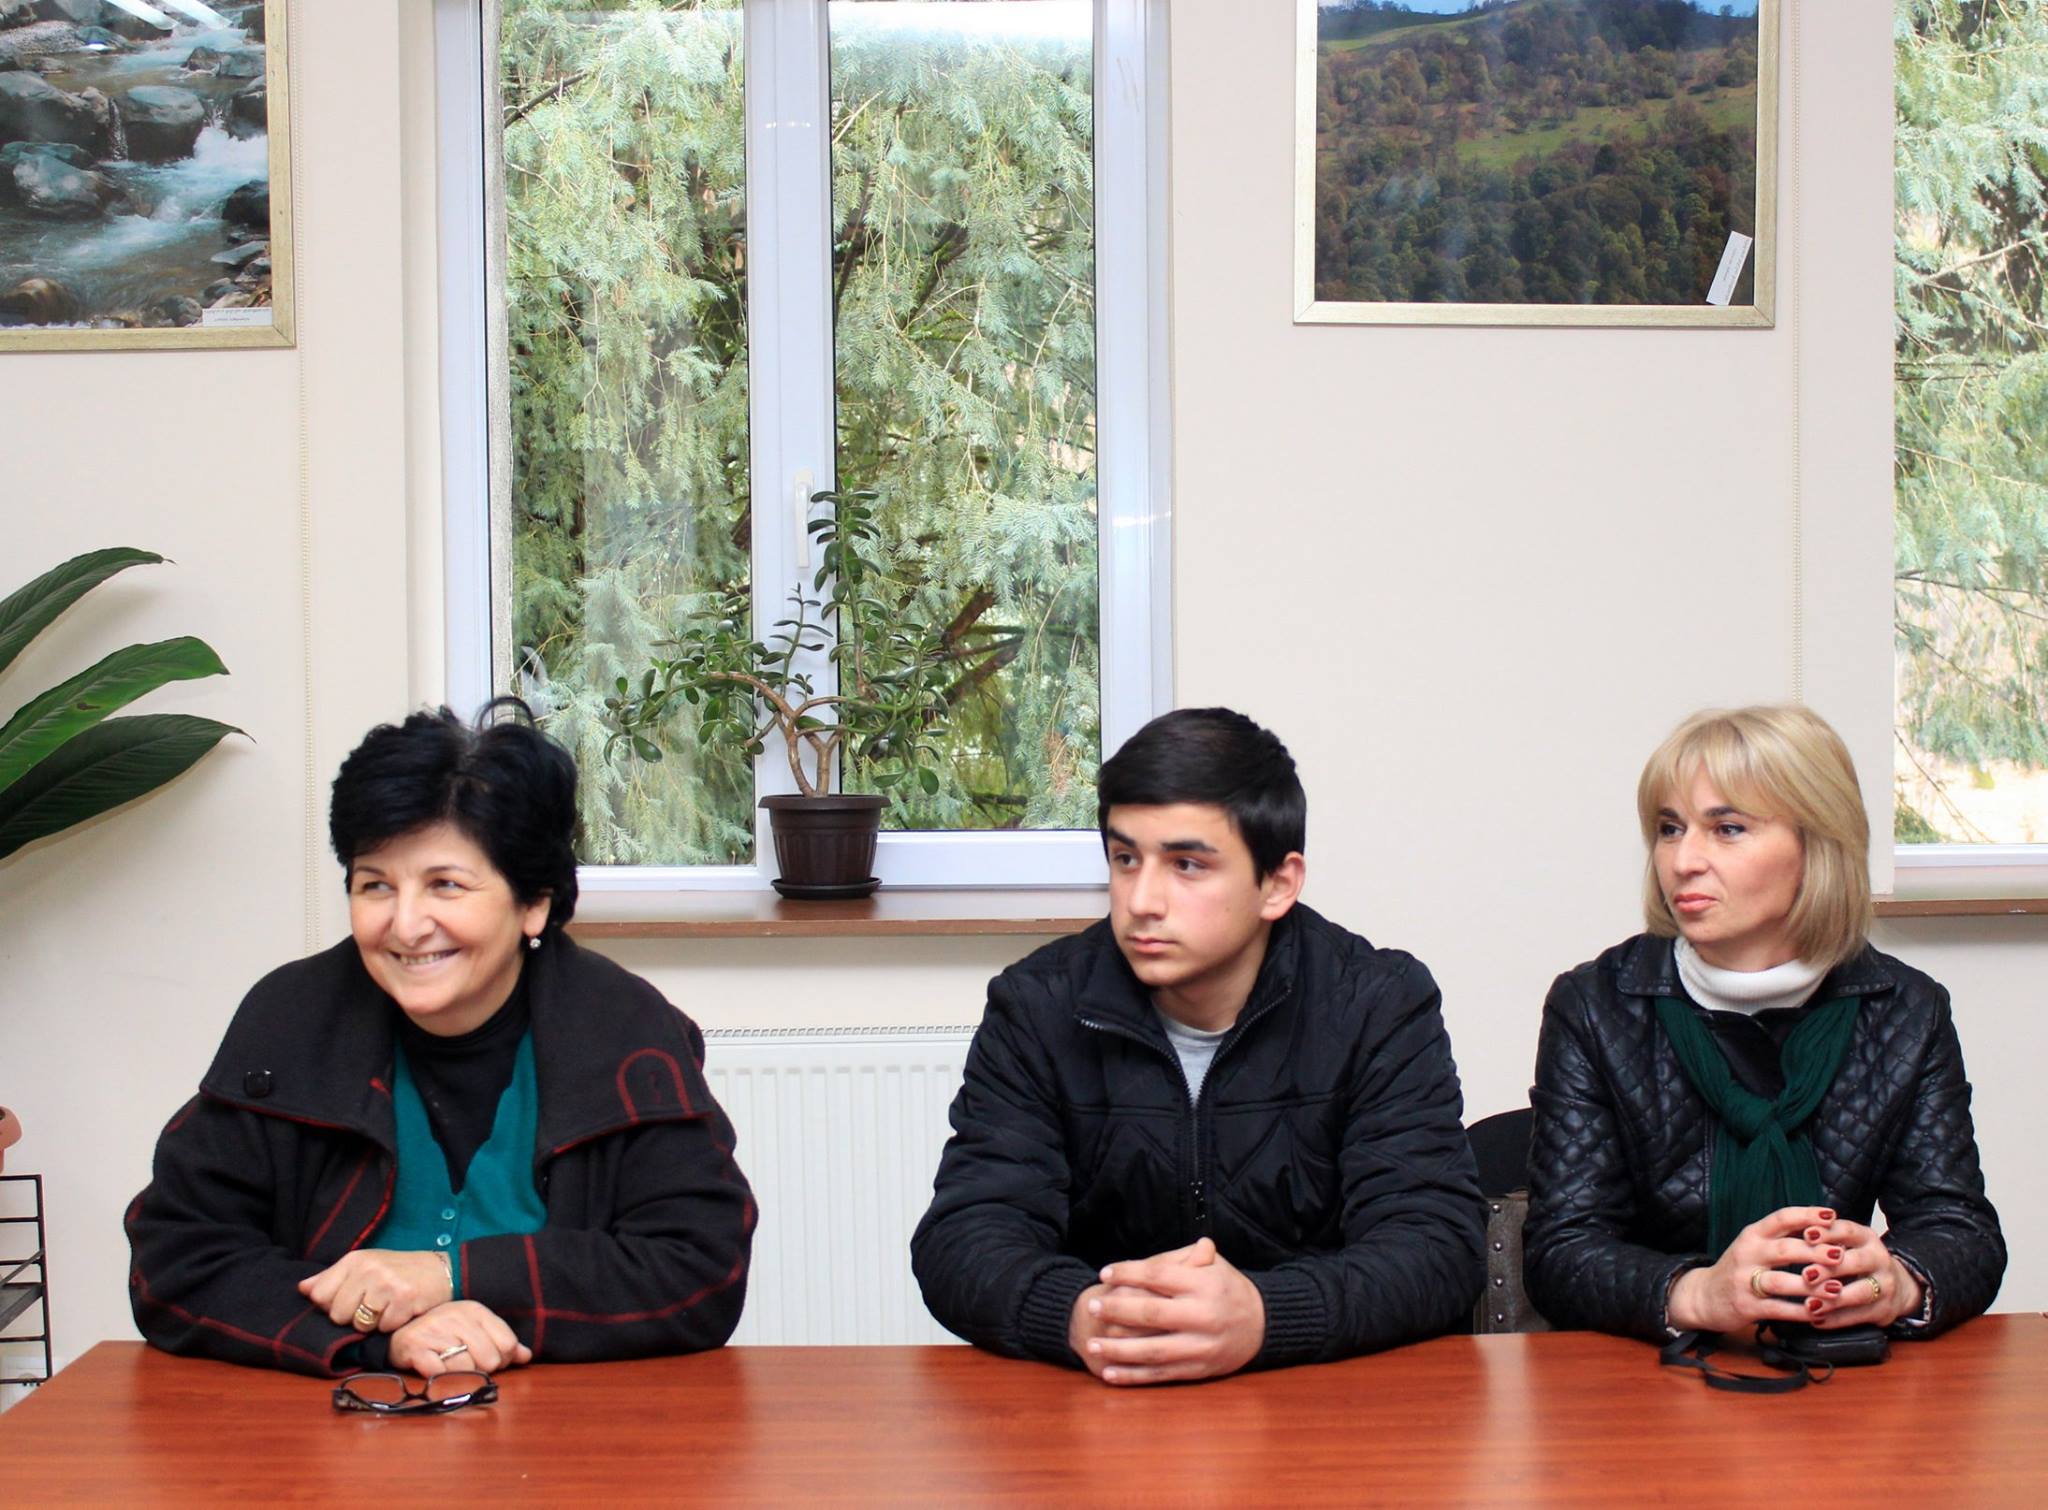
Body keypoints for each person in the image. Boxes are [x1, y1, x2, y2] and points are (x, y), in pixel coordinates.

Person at [127, 702, 754, 1377]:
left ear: (534, 902)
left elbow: (700, 1269)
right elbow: (177, 1260)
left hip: (570, 1419)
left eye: (445, 885)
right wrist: (378, 1341)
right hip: (336, 1420)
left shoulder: (625, 1028)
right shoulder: (290, 1020)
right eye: (375, 885)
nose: (406, 926)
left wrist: (451, 1275)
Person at [911, 708, 1483, 1385]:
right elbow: (965, 1237)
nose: (1141, 901)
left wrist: (1266, 1316)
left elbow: (1436, 1243)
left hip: (1320, 1396)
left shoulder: (1376, 1003)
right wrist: (1083, 1314)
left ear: (1277, 884)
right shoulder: (1038, 1006)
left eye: (1186, 865)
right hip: (1106, 1395)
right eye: (1125, 859)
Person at [1525, 705, 2005, 1342]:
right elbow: (1560, 1252)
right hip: (1645, 1371)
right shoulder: (1596, 1005)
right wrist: (1697, 1294)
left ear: (1817, 844)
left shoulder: (1905, 1008)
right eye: (1670, 829)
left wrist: (1895, 1281)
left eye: (1727, 829)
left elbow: (1963, 1232)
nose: (1683, 861)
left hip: (1831, 1368)